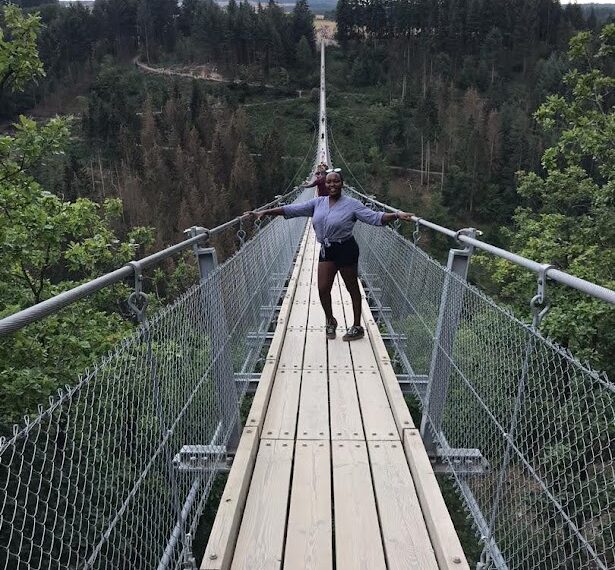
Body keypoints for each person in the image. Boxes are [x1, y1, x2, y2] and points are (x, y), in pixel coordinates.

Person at [246, 169, 414, 341]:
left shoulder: (352, 204)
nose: (332, 185)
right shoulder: (317, 202)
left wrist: (396, 215)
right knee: (323, 288)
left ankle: (357, 326)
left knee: (352, 288)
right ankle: (330, 320)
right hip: (327, 249)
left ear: (342, 184)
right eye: (329, 182)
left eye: (336, 181)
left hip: (346, 249)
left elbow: (375, 217)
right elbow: (292, 209)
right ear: (324, 184)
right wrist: (266, 212)